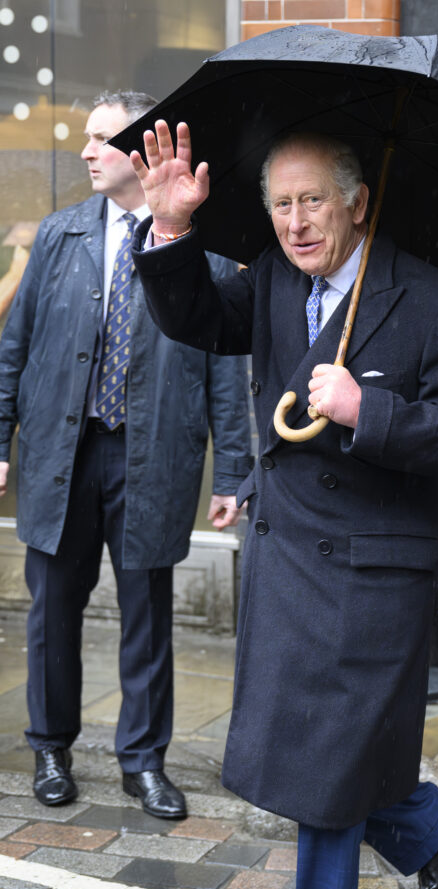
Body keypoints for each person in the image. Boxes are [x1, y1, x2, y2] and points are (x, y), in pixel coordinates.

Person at [129, 122, 438, 889]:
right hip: (287, 550)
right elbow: (194, 320)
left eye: (313, 202)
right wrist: (174, 232)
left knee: (322, 747)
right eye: (281, 204)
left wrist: (367, 408)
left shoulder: (434, 297)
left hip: (371, 565)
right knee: (299, 742)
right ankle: (433, 833)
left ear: (358, 201)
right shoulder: (269, 278)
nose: (296, 222)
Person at [0, 91, 252, 820]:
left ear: (141, 152)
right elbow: (14, 347)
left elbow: (223, 366)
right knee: (52, 610)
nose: (85, 150)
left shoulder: (195, 245)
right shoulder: (58, 235)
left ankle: (144, 763)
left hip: (151, 456)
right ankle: (50, 747)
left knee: (147, 612)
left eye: (102, 138)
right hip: (61, 453)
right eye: (86, 137)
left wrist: (233, 469)